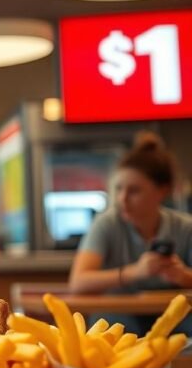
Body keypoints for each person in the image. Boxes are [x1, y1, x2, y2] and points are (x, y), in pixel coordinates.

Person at [69, 134, 192, 333]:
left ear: (162, 191)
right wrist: (136, 272)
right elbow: (78, 282)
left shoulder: (185, 227)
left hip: (175, 314)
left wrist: (182, 276)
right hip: (119, 312)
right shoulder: (106, 223)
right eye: (118, 189)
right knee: (116, 326)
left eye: (134, 191)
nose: (122, 199)